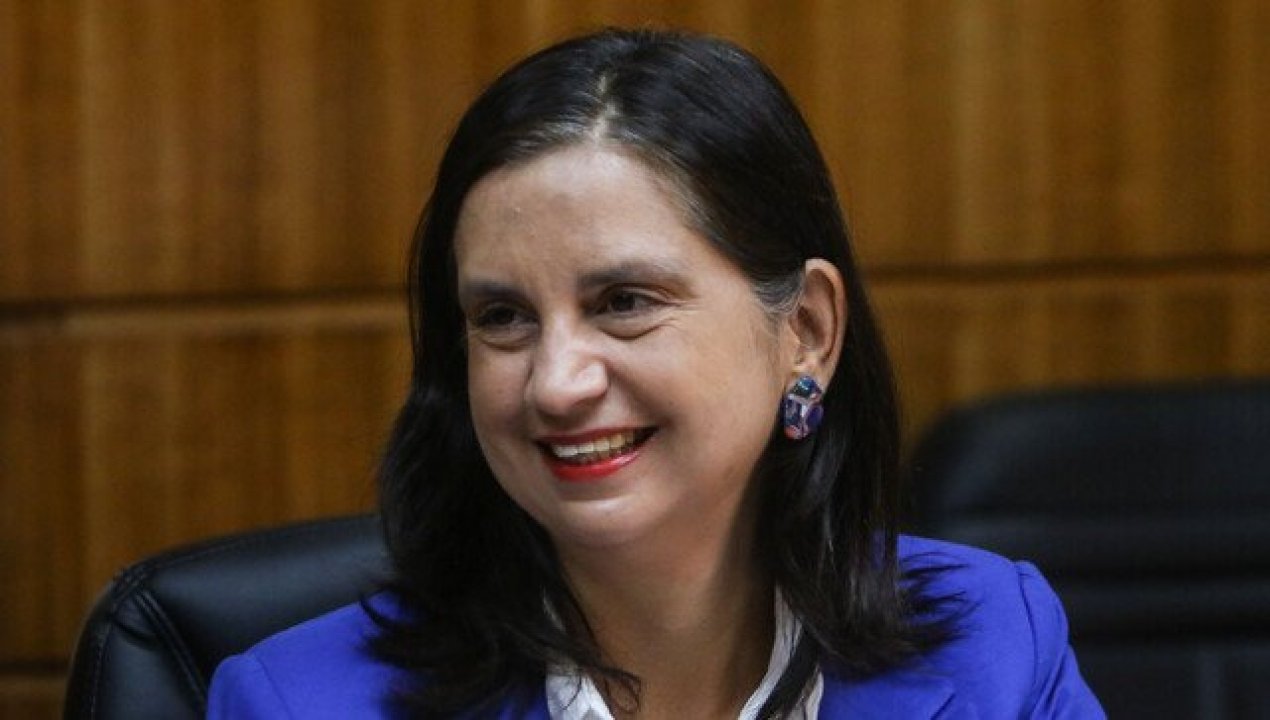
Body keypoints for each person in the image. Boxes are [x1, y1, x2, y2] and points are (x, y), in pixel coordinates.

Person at [208, 28, 1103, 719]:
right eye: (504, 318)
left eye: (624, 302)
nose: (556, 384)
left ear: (806, 331)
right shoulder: (294, 703)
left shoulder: (996, 644)